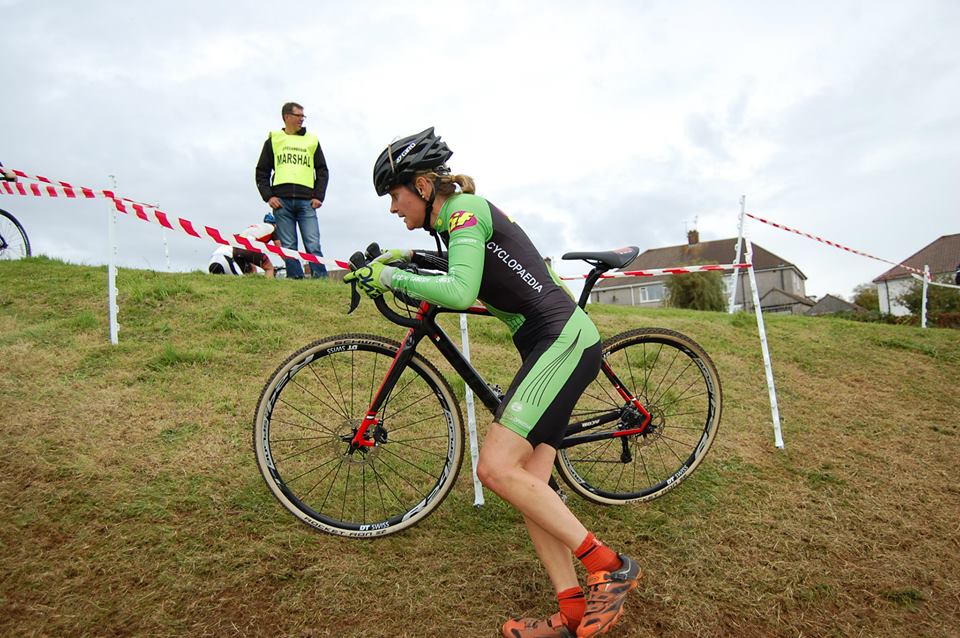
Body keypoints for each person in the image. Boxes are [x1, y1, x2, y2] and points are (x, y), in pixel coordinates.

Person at [344, 128, 641, 638]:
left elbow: (459, 289)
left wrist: (392, 277)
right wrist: (402, 260)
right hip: (549, 343)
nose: (393, 209)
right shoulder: (454, 222)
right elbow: (463, 268)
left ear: (420, 185)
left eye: (394, 197)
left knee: (496, 467)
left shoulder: (465, 211)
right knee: (530, 484)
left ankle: (610, 566)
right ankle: (571, 613)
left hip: (562, 341)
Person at [255, 101, 329, 279]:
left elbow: (322, 170)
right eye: (298, 116)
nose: (302, 120)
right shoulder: (274, 139)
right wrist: (268, 196)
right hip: (282, 202)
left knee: (313, 243)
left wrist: (319, 195)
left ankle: (321, 279)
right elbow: (262, 171)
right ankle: (295, 279)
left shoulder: (311, 140)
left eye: (303, 116)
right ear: (287, 116)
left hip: (306, 201)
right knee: (288, 246)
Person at [209, 213, 280, 277]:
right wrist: (288, 261)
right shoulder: (273, 228)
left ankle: (251, 288)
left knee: (251, 272)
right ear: (275, 224)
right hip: (249, 247)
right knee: (269, 268)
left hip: (236, 249)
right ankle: (265, 288)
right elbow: (279, 248)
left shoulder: (256, 226)